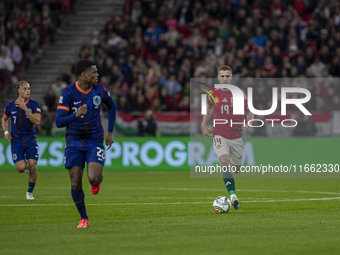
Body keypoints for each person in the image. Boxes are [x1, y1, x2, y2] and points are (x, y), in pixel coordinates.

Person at [55, 59, 116, 228]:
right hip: (74, 141)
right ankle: (84, 218)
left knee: (94, 179)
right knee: (75, 182)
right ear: (83, 74)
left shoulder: (99, 90)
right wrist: (76, 114)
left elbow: (112, 106)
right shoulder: (68, 93)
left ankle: (97, 180)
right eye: (94, 72)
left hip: (94, 140)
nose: (97, 75)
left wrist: (110, 131)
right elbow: (59, 122)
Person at [201, 65, 253, 210]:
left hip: (236, 136)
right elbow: (209, 107)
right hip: (219, 134)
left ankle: (232, 188)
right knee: (224, 162)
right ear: (218, 77)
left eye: (227, 76)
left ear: (231, 77)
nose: (224, 78)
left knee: (236, 169)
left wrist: (249, 122)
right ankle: (233, 196)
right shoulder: (213, 93)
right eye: (222, 76)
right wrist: (204, 123)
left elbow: (250, 111)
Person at [1, 81, 41, 200]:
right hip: (16, 141)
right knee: (21, 168)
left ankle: (29, 193)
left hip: (30, 139)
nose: (27, 91)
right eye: (24, 89)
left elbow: (37, 121)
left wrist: (25, 109)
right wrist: (6, 132)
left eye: (28, 88)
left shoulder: (34, 105)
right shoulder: (10, 105)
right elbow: (4, 119)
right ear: (18, 90)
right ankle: (27, 166)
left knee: (33, 166)